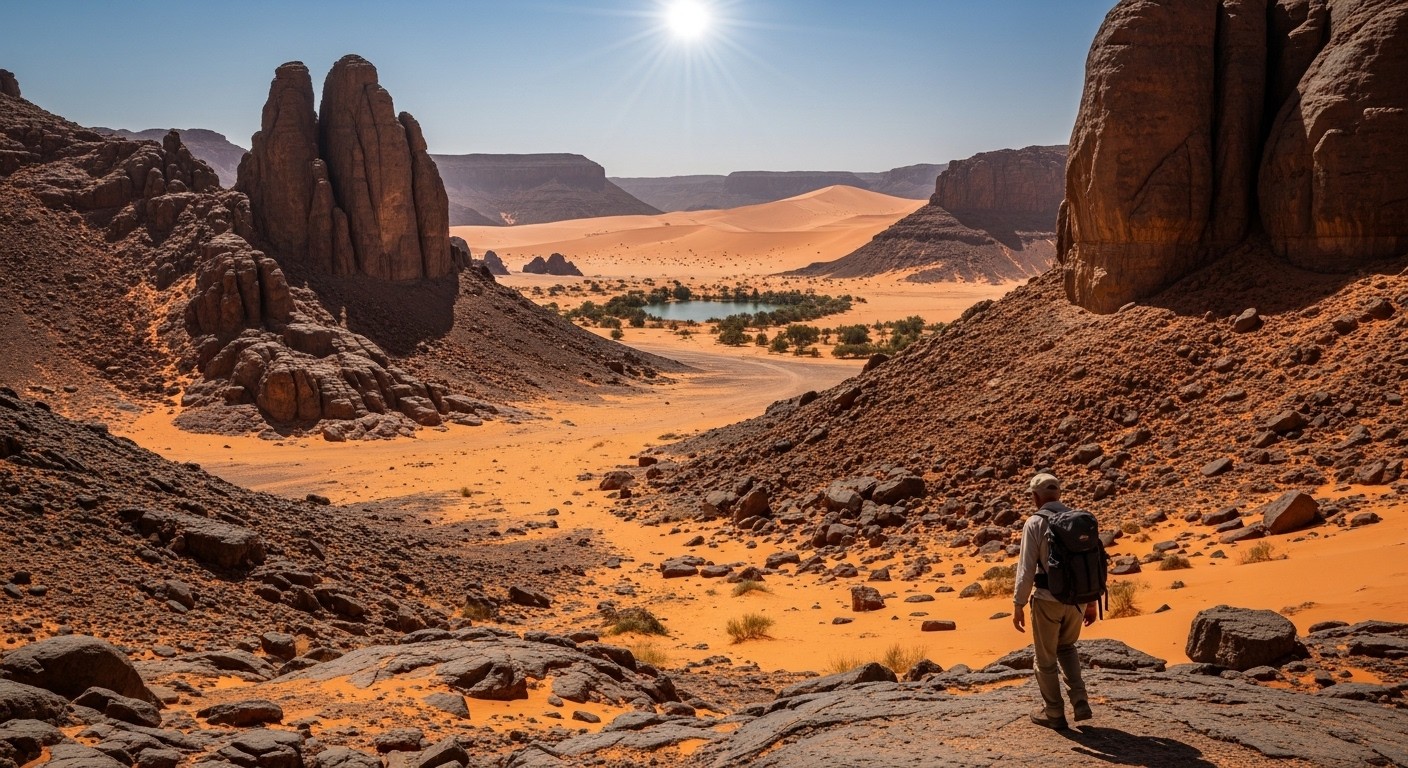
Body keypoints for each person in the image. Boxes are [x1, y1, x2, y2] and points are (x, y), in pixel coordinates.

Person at [1012, 472, 1098, 729]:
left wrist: (1018, 603)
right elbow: (1092, 564)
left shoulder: (1035, 523)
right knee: (1067, 648)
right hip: (1078, 601)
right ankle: (1080, 700)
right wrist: (1092, 602)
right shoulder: (1080, 521)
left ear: (1035, 497)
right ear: (1058, 494)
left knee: (1045, 658)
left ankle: (1054, 713)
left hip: (1047, 600)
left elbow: (1026, 569)